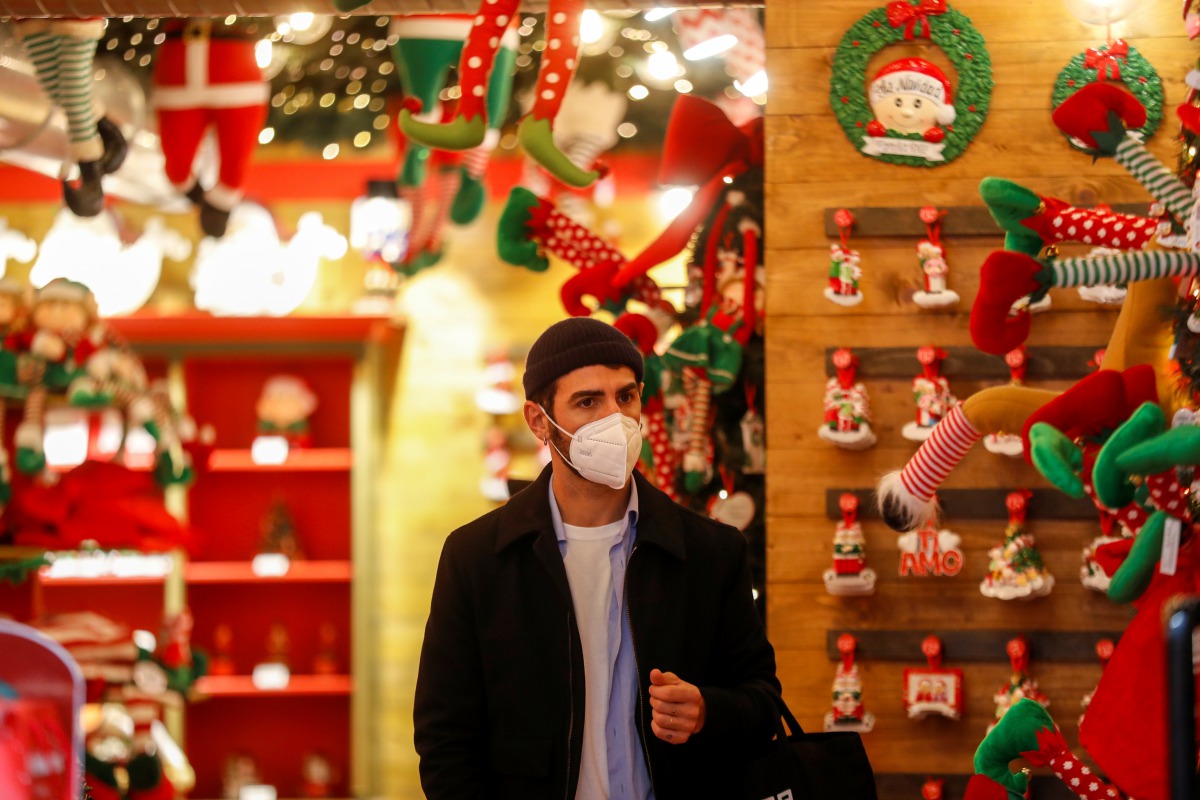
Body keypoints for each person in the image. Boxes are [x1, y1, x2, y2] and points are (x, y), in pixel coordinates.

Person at [413, 316, 781, 799]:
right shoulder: (478, 558)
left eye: (625, 397)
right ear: (538, 421)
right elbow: (445, 738)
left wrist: (708, 711)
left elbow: (762, 702)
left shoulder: (710, 552)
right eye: (588, 402)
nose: (616, 419)